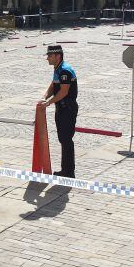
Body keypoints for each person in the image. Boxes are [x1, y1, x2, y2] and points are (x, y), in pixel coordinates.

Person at [41, 45, 78, 178]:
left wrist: (49, 102)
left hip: (67, 108)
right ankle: (65, 170)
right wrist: (45, 95)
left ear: (58, 56)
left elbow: (64, 91)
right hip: (61, 108)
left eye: (50, 56)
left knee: (66, 140)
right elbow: (54, 84)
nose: (47, 58)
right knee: (63, 139)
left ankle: (69, 172)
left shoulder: (65, 71)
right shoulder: (58, 69)